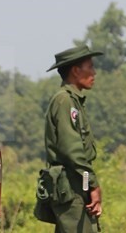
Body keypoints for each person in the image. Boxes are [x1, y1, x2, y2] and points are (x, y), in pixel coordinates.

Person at [44, 44, 103, 232]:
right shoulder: (65, 101)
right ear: (76, 71)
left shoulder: (73, 100)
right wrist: (93, 184)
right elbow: (72, 150)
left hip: (76, 184)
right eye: (90, 67)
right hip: (70, 186)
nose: (94, 72)